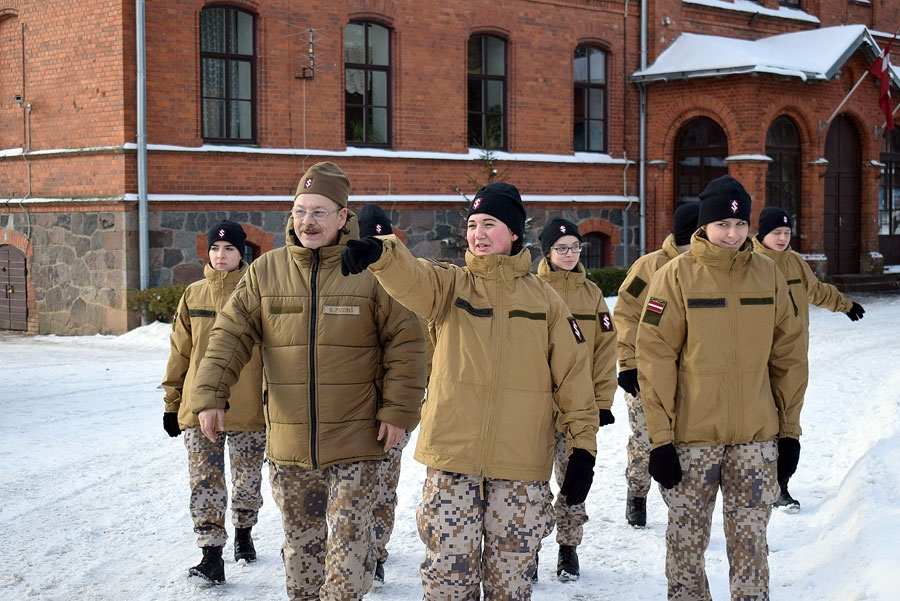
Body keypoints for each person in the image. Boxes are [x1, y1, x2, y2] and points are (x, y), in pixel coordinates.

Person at [340, 181, 600, 600]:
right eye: (473, 224)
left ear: (514, 233)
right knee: (447, 582)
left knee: (510, 586)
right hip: (453, 461)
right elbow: (412, 277)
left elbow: (573, 379)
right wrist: (382, 254)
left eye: (490, 224)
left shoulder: (546, 302)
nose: (478, 233)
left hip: (520, 467)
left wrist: (583, 447)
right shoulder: (450, 287)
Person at [191, 162, 428, 601]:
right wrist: (210, 394)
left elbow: (409, 346)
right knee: (301, 557)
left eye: (319, 212)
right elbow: (229, 335)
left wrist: (398, 412)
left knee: (350, 559)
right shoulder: (266, 272)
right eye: (300, 211)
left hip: (358, 443)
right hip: (290, 447)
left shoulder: (374, 272)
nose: (307, 221)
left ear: (342, 217)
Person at [636, 174, 808, 601]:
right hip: (692, 439)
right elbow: (655, 358)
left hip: (755, 438)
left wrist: (789, 431)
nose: (732, 234)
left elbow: (788, 357)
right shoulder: (675, 276)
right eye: (722, 225)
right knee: (686, 546)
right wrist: (659, 440)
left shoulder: (768, 275)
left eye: (739, 225)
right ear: (705, 226)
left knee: (752, 545)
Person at [161, 220, 266, 585]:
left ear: (243, 254)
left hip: (249, 406)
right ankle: (210, 555)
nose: (221, 256)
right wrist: (172, 402)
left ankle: (244, 531)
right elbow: (180, 352)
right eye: (215, 249)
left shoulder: (258, 293)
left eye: (230, 249)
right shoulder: (193, 295)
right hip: (199, 407)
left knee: (247, 479)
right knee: (204, 481)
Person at [752, 205, 865, 512]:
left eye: (787, 233)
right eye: (776, 232)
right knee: (759, 422)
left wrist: (845, 304)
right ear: (762, 233)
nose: (782, 238)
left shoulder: (795, 262)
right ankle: (755, 485)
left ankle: (781, 486)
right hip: (755, 357)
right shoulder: (748, 263)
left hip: (792, 357)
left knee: (789, 422)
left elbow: (816, 291)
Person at [535, 217, 617, 581]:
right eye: (561, 248)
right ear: (547, 252)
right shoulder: (533, 288)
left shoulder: (592, 293)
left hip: (578, 406)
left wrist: (603, 401)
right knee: (530, 483)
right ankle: (528, 547)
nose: (569, 255)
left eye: (575, 248)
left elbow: (605, 350)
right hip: (536, 406)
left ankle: (568, 548)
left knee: (574, 479)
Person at [612, 202, 699, 528]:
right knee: (646, 439)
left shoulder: (707, 268)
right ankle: (637, 492)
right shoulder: (648, 267)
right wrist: (629, 363)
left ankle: (683, 507)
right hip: (646, 374)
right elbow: (625, 313)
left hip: (689, 373)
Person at [356, 203, 414, 587]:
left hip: (389, 407)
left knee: (383, 487)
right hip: (348, 405)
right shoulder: (342, 278)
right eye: (368, 239)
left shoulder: (407, 283)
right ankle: (351, 550)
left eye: (382, 239)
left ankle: (376, 553)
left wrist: (402, 407)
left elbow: (412, 352)